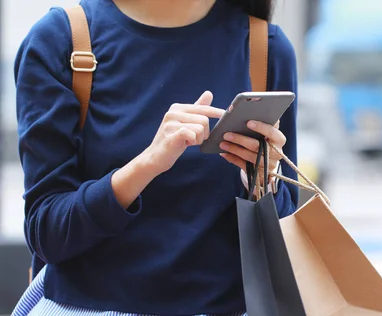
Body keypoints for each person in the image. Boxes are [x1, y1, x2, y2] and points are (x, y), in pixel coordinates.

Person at [11, 0, 299, 315]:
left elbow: (288, 242)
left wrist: (263, 178)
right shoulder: (63, 40)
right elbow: (47, 232)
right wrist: (147, 164)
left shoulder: (264, 47)